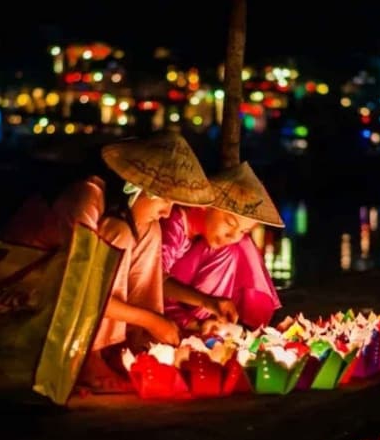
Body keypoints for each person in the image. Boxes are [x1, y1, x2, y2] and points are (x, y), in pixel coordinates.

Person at [75, 131, 215, 392]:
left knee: (151, 230)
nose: (167, 212)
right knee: (123, 233)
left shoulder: (137, 222)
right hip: (42, 289)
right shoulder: (90, 198)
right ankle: (90, 357)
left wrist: (153, 324)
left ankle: (133, 342)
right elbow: (86, 292)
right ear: (135, 188)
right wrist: (152, 320)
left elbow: (150, 280)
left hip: (92, 293)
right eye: (163, 199)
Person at [160, 161, 285, 332]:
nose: (233, 235)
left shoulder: (203, 237)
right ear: (206, 205)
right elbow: (154, 280)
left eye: (243, 230)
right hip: (157, 302)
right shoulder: (174, 223)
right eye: (229, 223)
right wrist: (207, 301)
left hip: (185, 303)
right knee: (231, 248)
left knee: (240, 245)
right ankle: (197, 324)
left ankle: (211, 324)